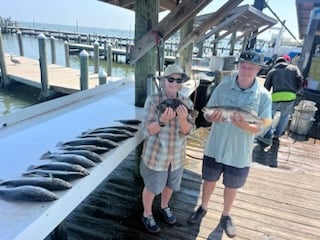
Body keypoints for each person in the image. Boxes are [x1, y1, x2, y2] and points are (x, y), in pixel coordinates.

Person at [187, 50, 272, 238]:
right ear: (238, 66)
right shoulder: (222, 87)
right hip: (215, 146)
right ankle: (203, 207)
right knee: (209, 180)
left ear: (258, 69)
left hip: (239, 152)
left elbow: (262, 127)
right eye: (243, 66)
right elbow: (207, 113)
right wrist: (212, 117)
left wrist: (244, 125)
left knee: (231, 186)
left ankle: (226, 216)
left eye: (251, 67)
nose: (246, 70)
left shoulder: (264, 96)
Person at [140, 64, 196, 234]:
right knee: (152, 186)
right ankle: (147, 213)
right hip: (156, 156)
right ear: (164, 81)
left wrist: (183, 119)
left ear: (181, 83)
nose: (174, 82)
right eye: (170, 79)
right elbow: (147, 130)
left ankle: (164, 206)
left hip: (177, 156)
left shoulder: (186, 102)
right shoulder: (153, 100)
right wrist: (162, 121)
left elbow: (187, 131)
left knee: (171, 184)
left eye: (178, 80)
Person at [256, 55, 304, 148]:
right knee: (284, 116)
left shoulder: (273, 71)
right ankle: (277, 135)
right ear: (287, 61)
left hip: (276, 96)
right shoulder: (294, 68)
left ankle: (267, 134)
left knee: (269, 116)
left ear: (277, 62)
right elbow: (300, 79)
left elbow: (266, 88)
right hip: (290, 96)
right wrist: (296, 90)